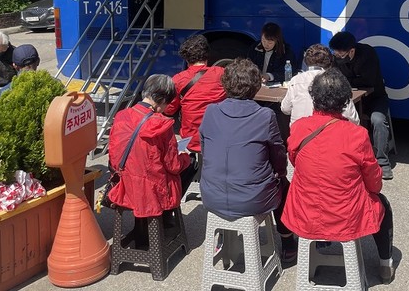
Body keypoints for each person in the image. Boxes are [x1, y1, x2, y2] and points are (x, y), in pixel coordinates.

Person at [283, 68, 394, 284]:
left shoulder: (298, 128)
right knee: (383, 204)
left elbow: (295, 161)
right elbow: (374, 183)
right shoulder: (357, 134)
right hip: (345, 217)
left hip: (304, 212)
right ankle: (385, 263)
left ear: (314, 97)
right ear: (345, 101)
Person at [199, 58, 298, 263]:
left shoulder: (211, 111)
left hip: (211, 195)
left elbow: (205, 148)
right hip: (252, 198)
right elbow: (278, 154)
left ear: (225, 84)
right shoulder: (265, 115)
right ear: (256, 86)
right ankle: (288, 241)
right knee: (284, 185)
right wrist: (279, 173)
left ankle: (224, 237)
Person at [106, 74, 192, 241]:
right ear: (163, 100)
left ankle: (143, 227)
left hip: (125, 183)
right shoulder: (161, 124)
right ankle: (165, 219)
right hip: (153, 191)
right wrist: (185, 158)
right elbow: (173, 166)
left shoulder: (122, 116)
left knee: (144, 170)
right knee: (190, 164)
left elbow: (114, 155)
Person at [163, 35, 226, 189]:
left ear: (186, 59)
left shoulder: (178, 79)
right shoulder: (221, 74)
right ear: (207, 55)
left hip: (191, 138)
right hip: (218, 137)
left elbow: (169, 110)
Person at [328, 31, 394, 180]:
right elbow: (334, 78)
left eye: (340, 53)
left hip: (375, 97)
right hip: (349, 100)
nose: (337, 56)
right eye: (335, 52)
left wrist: (347, 81)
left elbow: (368, 81)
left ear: (351, 50)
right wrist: (352, 80)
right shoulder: (336, 58)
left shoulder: (367, 54)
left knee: (378, 120)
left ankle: (382, 162)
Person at [281, 44, 359, 126]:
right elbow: (353, 119)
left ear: (306, 62)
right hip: (328, 131)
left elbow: (285, 109)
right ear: (330, 62)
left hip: (298, 132)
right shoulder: (335, 81)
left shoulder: (295, 80)